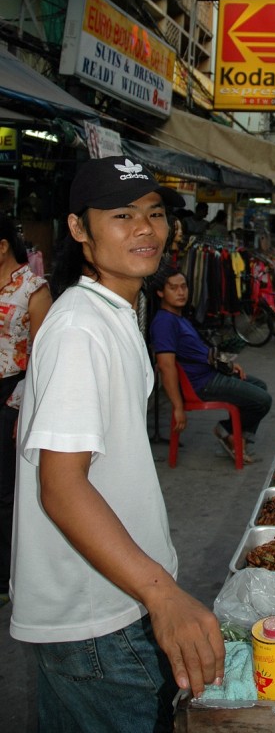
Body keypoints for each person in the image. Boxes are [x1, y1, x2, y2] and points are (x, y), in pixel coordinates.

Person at [10, 156, 225, 731]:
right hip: (101, 618)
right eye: (122, 215)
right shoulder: (80, 327)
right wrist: (163, 595)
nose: (145, 229)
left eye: (154, 213)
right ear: (79, 228)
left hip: (111, 599)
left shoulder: (112, 311)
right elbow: (60, 487)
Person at [151, 269, 272, 463]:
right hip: (201, 384)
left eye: (183, 287)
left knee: (260, 386)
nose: (181, 292)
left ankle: (232, 436)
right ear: (160, 292)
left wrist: (229, 365)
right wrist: (178, 406)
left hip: (210, 374)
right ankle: (230, 434)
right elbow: (166, 366)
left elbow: (201, 353)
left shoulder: (179, 318)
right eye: (173, 288)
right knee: (262, 400)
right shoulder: (164, 323)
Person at [0, 216, 51, 606]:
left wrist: (20, 406)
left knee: (5, 490)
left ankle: (6, 576)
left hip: (10, 392)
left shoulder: (33, 289)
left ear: (3, 246)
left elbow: (42, 355)